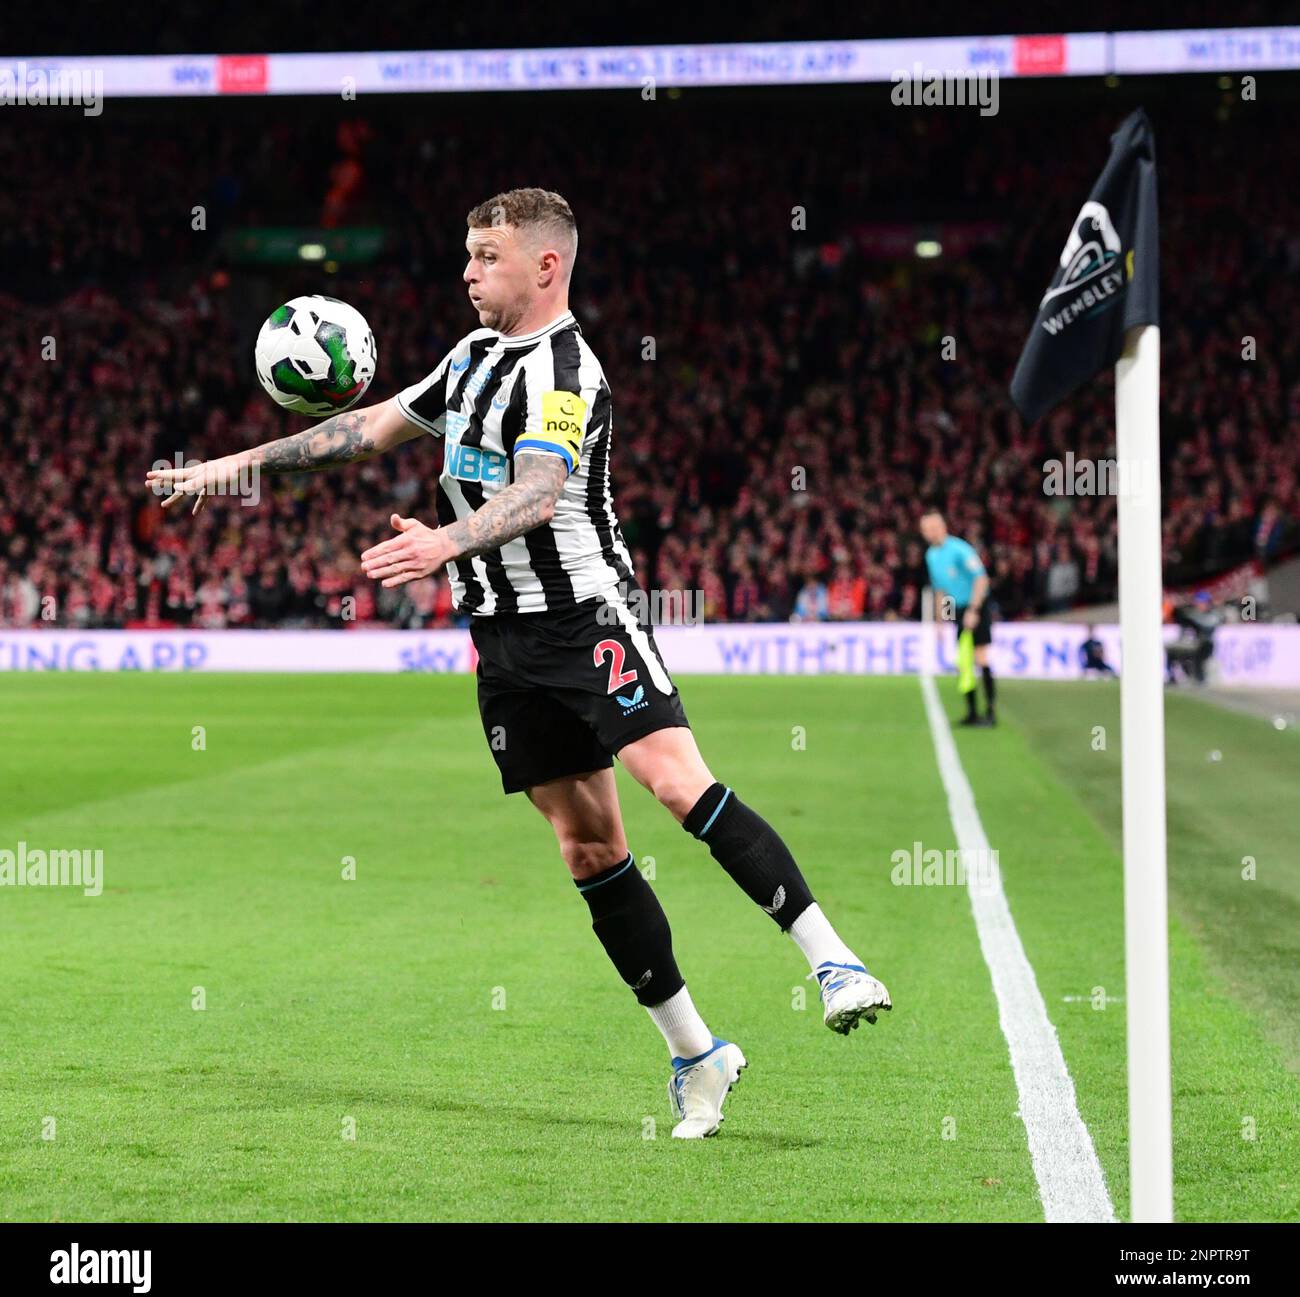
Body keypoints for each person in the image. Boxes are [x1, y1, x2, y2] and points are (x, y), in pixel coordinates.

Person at [145, 188, 890, 1141]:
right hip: (502, 644)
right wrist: (222, 469)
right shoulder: (468, 361)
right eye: (465, 254)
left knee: (673, 780)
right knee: (590, 850)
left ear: (545, 265)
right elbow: (358, 431)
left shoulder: (568, 370)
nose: (466, 272)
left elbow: (541, 489)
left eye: (485, 256)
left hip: (586, 617)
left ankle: (832, 958)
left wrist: (446, 543)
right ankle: (698, 1056)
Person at [920, 510, 996, 726]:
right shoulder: (931, 555)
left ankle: (990, 712)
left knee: (980, 657)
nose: (928, 533)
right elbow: (941, 590)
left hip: (976, 605)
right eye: (925, 529)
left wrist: (974, 609)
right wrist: (942, 620)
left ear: (941, 527)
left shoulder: (960, 549)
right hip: (958, 610)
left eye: (931, 528)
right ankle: (972, 712)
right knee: (963, 661)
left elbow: (981, 579)